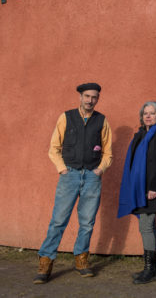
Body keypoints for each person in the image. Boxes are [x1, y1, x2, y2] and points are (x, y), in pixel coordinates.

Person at [33, 83, 113, 284]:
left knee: (87, 222)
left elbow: (108, 152)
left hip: (92, 177)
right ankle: (46, 262)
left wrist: (100, 170)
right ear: (80, 96)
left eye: (94, 97)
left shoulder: (102, 121)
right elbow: (54, 147)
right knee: (58, 221)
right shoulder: (66, 117)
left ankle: (81, 260)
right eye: (87, 96)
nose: (90, 100)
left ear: (98, 99)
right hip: (70, 175)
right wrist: (62, 169)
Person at [117, 101, 156, 284]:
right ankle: (153, 268)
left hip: (151, 189)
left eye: (152, 113)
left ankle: (149, 269)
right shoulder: (139, 135)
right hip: (138, 188)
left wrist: (154, 188)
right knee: (148, 227)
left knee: (146, 227)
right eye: (145, 113)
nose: (148, 116)